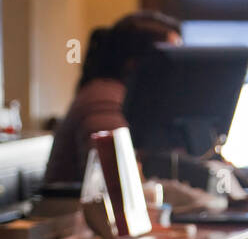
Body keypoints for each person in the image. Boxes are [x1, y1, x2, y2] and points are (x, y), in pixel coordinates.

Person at [44, 10, 182, 185]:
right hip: (72, 211)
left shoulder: (124, 96)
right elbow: (117, 177)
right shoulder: (103, 99)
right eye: (168, 58)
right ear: (135, 61)